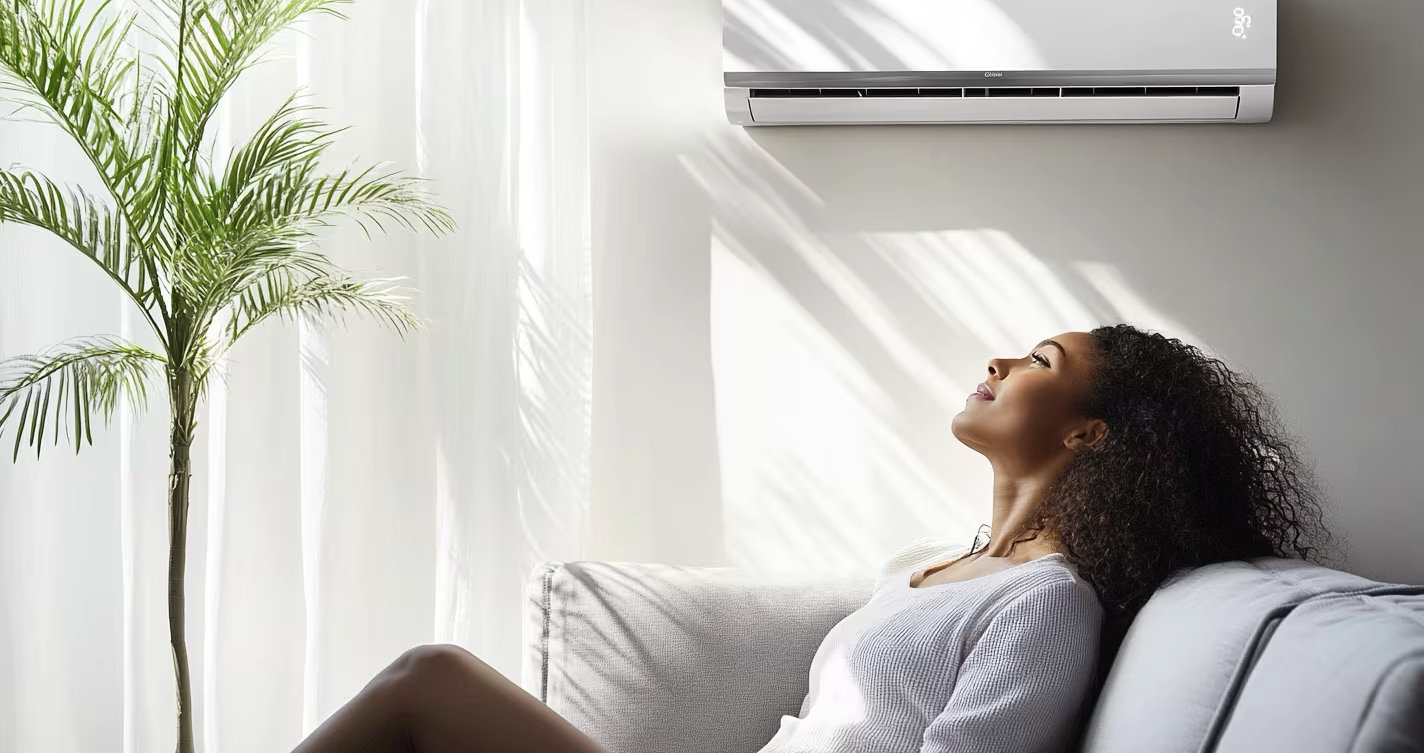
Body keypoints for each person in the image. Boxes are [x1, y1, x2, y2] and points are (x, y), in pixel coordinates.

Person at [291, 324, 1330, 753]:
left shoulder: (1046, 603)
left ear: (1086, 433)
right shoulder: (935, 568)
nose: (1000, 359)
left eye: (1041, 363)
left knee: (427, 683)